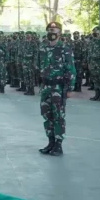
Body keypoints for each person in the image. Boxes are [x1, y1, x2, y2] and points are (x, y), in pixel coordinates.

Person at [38, 22, 76, 156]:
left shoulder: (65, 48)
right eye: (49, 29)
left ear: (59, 32)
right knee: (46, 115)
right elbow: (40, 66)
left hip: (58, 87)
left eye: (54, 29)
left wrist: (70, 88)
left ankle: (59, 145)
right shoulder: (43, 48)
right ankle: (51, 142)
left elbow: (71, 69)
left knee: (58, 116)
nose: (51, 32)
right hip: (46, 87)